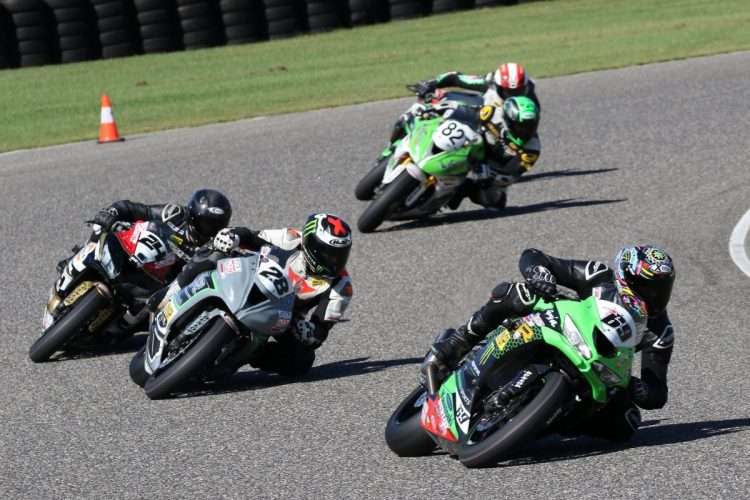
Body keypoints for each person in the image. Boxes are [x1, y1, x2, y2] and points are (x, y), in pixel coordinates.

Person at [422, 245, 676, 441]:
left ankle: (547, 422)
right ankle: (458, 342)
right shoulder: (599, 276)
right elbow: (534, 256)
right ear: (626, 277)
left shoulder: (660, 331)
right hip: (559, 326)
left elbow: (657, 392)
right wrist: (539, 273)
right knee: (517, 294)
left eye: (661, 289)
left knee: (627, 424)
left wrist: (638, 389)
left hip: (601, 366)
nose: (655, 296)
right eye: (647, 287)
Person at [165, 212, 354, 377]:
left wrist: (308, 331)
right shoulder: (291, 238)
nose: (334, 260)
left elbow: (319, 332)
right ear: (310, 244)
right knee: (215, 252)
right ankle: (173, 292)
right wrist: (233, 236)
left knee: (302, 361)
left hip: (284, 316)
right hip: (249, 278)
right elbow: (250, 236)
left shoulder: (341, 286)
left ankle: (251, 353)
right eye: (329, 253)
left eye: (340, 254)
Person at [88, 188, 233, 265]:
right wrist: (112, 212)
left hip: (156, 285)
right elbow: (139, 210)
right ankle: (78, 258)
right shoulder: (174, 214)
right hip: (136, 253)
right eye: (206, 224)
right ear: (192, 216)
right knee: (102, 228)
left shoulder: (214, 248)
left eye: (216, 226)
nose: (210, 230)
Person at [412, 62, 541, 109]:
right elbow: (456, 78)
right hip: (480, 114)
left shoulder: (530, 100)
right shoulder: (488, 82)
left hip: (501, 132)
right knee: (442, 97)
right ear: (497, 86)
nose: (514, 96)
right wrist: (432, 83)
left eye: (518, 91)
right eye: (509, 92)